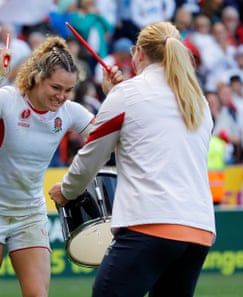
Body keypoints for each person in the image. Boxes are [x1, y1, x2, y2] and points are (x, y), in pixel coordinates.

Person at [49, 21, 216, 297]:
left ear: (138, 53)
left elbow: (92, 154)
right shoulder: (197, 99)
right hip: (197, 228)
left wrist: (67, 190)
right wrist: (115, 96)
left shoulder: (128, 94)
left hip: (151, 220)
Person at [0, 36, 121, 297]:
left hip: (30, 213)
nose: (62, 96)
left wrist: (115, 97)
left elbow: (110, 141)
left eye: (68, 90)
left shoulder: (70, 111)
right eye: (56, 87)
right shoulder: (8, 98)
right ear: (37, 77)